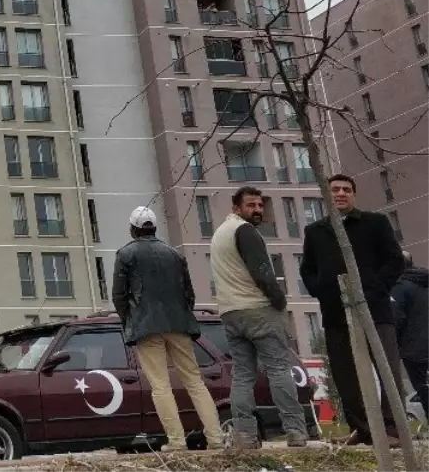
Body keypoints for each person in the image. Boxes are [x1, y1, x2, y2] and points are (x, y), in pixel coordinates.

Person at [299, 173, 405, 446]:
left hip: (375, 310)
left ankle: (392, 428)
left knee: (387, 368)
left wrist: (374, 289)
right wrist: (320, 289)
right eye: (335, 190)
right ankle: (361, 428)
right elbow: (307, 269)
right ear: (326, 195)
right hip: (335, 314)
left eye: (346, 189)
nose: (341, 194)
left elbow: (394, 260)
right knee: (345, 373)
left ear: (353, 195)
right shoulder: (316, 231)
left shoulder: (375, 223)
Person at [112, 206, 223, 451]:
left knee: (160, 385)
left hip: (146, 327)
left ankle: (176, 441)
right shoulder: (174, 254)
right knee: (194, 381)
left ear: (133, 229)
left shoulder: (125, 254)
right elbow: (189, 295)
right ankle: (216, 438)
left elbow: (119, 296)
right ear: (154, 228)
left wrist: (129, 319)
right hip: (179, 324)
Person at [210, 187, 307, 448]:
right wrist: (279, 300)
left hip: (230, 313)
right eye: (250, 205)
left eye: (260, 205)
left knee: (242, 374)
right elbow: (262, 272)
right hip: (258, 309)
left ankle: (245, 435)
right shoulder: (245, 231)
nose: (257, 210)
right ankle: (295, 431)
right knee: (278, 369)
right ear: (236, 208)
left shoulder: (220, 234)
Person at [391, 252, 429, 412]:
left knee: (424, 391)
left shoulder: (399, 287)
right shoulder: (424, 281)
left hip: (415, 352)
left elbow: (395, 318)